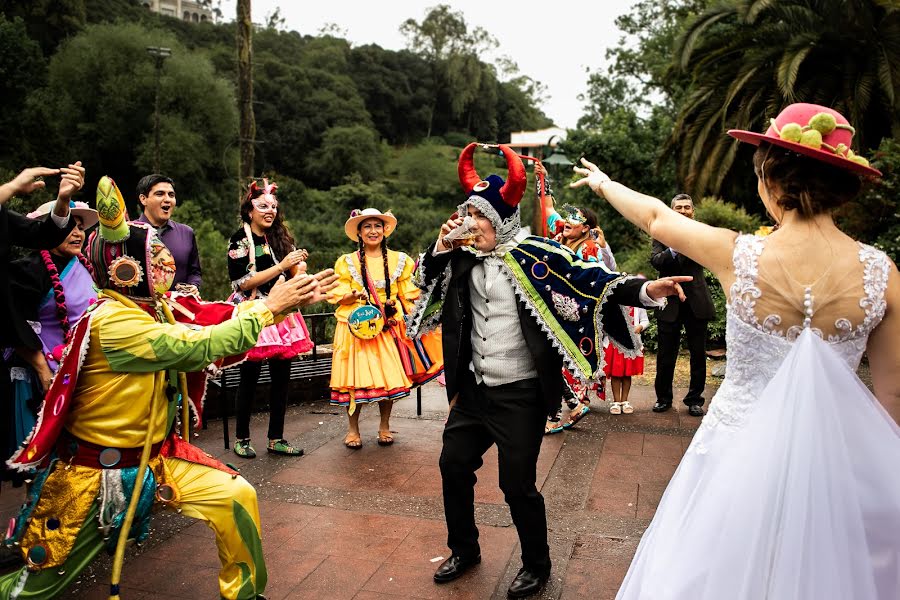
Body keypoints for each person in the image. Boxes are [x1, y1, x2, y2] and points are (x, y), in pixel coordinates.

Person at [571, 103, 900, 599]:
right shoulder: (883, 274)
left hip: (732, 453)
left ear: (770, 175)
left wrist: (603, 184)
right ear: (841, 184)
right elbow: (894, 398)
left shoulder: (738, 254)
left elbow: (657, 217)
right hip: (836, 462)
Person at [0, 175, 338, 600]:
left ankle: (244, 594)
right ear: (127, 270)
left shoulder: (152, 308)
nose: (165, 263)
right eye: (153, 256)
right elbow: (201, 344)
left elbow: (210, 315)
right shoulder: (116, 323)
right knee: (29, 591)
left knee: (235, 496)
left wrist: (283, 300)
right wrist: (270, 308)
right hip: (96, 475)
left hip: (156, 459)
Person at [407, 143, 690, 599]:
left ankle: (536, 565)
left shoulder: (537, 253)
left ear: (499, 219)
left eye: (477, 216)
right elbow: (424, 280)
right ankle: (464, 549)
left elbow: (590, 277)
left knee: (516, 484)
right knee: (452, 465)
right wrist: (442, 243)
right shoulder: (458, 254)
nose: (468, 223)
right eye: (465, 214)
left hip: (521, 392)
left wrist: (646, 289)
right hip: (474, 392)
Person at [328, 208, 443, 448]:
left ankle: (384, 426)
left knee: (388, 378)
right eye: (367, 226)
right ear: (359, 232)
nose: (373, 231)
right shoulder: (346, 262)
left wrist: (396, 311)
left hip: (386, 327)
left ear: (385, 230)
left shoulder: (400, 260)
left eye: (377, 226)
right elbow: (336, 292)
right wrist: (351, 296)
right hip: (355, 328)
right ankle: (352, 430)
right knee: (354, 380)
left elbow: (410, 294)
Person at [228, 179, 313, 459]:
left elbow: (293, 275)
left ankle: (276, 437)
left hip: (283, 314)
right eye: (263, 206)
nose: (270, 211)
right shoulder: (239, 239)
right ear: (249, 210)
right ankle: (242, 438)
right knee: (248, 378)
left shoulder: (282, 238)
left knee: (282, 378)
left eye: (274, 206)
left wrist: (299, 268)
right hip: (253, 310)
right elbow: (242, 282)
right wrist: (282, 265)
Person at [6, 201, 98, 455]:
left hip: (83, 371)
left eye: (80, 227)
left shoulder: (88, 265)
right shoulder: (27, 270)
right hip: (43, 375)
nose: (78, 233)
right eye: (69, 226)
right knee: (42, 456)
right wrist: (43, 371)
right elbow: (14, 325)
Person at [535, 163, 613, 433]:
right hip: (552, 310)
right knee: (546, 360)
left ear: (587, 229)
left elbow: (588, 287)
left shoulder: (590, 249)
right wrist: (542, 180)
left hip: (574, 316)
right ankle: (573, 404)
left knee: (548, 361)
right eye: (568, 216)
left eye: (576, 218)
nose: (568, 220)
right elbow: (547, 209)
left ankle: (555, 416)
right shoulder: (560, 234)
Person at [650, 193, 715, 417]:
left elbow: (707, 258)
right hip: (669, 302)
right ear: (672, 210)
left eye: (687, 207)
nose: (683, 210)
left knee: (698, 354)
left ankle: (695, 400)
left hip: (696, 300)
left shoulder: (701, 232)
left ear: (692, 211)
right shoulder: (660, 233)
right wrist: (673, 249)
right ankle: (663, 398)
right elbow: (656, 261)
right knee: (666, 354)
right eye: (679, 207)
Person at [136, 174, 202, 294]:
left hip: (178, 307)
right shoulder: (130, 233)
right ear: (143, 199)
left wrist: (194, 285)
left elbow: (194, 272)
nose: (167, 199)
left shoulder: (186, 233)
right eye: (160, 194)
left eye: (171, 195)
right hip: (137, 308)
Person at [603, 297, 649, 415]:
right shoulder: (613, 302)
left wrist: (640, 327)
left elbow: (645, 321)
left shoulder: (638, 303)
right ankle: (616, 402)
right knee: (615, 373)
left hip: (631, 343)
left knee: (627, 374)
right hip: (615, 344)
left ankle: (625, 401)